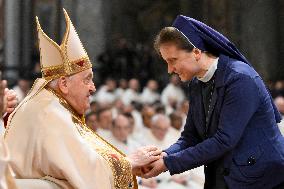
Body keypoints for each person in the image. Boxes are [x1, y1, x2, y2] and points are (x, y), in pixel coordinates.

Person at [4, 9, 161, 189]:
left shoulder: (50, 103)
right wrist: (129, 163)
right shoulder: (49, 113)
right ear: (63, 83)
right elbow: (87, 174)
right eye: (87, 79)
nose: (93, 87)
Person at [141, 15, 284, 189]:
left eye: (173, 61)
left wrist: (169, 163)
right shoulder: (196, 83)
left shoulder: (240, 78)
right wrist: (164, 155)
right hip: (226, 177)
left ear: (196, 52)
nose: (170, 70)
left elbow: (224, 140)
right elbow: (191, 136)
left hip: (262, 180)